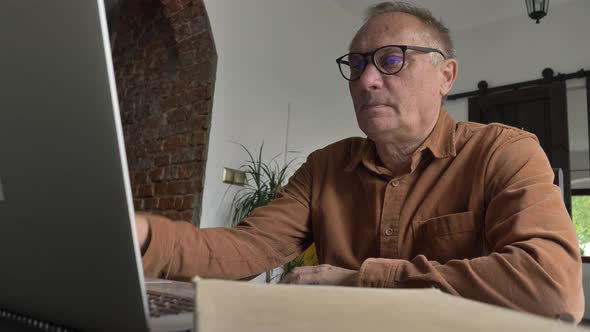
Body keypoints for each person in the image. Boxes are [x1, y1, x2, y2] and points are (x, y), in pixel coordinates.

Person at [135, 1, 584, 322]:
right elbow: (245, 248)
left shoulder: (504, 151)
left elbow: (551, 287)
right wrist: (141, 236)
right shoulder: (325, 167)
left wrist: (355, 280)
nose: (367, 80)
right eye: (356, 65)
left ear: (446, 75)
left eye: (391, 60)